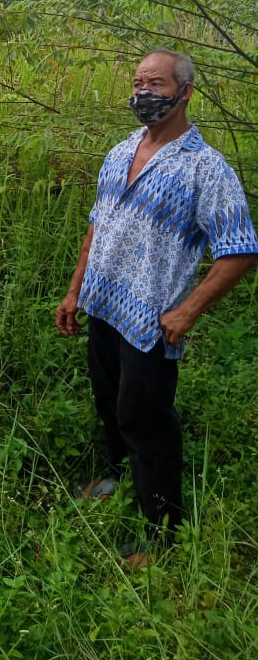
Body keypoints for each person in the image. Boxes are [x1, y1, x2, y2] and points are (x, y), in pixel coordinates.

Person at [56, 49, 258, 566]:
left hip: (151, 320)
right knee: (108, 399)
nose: (144, 92)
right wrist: (76, 289)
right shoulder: (121, 150)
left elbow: (239, 250)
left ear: (185, 91)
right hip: (103, 305)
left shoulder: (205, 169)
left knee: (145, 419)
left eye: (157, 83)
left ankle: (162, 531)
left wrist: (187, 311)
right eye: (138, 81)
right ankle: (118, 476)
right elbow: (97, 225)